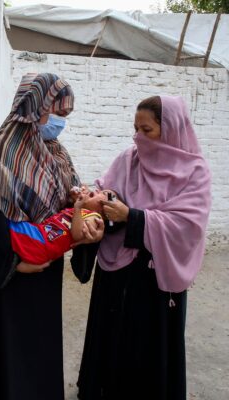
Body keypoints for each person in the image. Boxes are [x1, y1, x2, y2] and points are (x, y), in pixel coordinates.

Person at [0, 72, 99, 400]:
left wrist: (84, 210)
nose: (59, 122)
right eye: (57, 113)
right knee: (12, 359)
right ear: (35, 105)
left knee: (43, 352)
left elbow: (70, 199)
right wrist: (13, 264)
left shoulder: (57, 152)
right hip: (9, 277)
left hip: (45, 271)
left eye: (65, 116)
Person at [74, 95, 211, 400]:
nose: (138, 137)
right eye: (135, 128)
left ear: (171, 129)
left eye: (146, 130)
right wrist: (97, 201)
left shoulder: (194, 172)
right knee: (111, 340)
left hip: (153, 280)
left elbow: (188, 227)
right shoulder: (128, 159)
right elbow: (107, 188)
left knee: (145, 348)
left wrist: (132, 217)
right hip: (115, 273)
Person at [0, 188, 106, 278]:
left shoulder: (94, 218)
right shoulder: (83, 211)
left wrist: (78, 208)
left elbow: (77, 235)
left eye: (102, 196)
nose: (98, 190)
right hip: (41, 237)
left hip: (41, 242)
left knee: (3, 227)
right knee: (4, 236)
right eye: (100, 190)